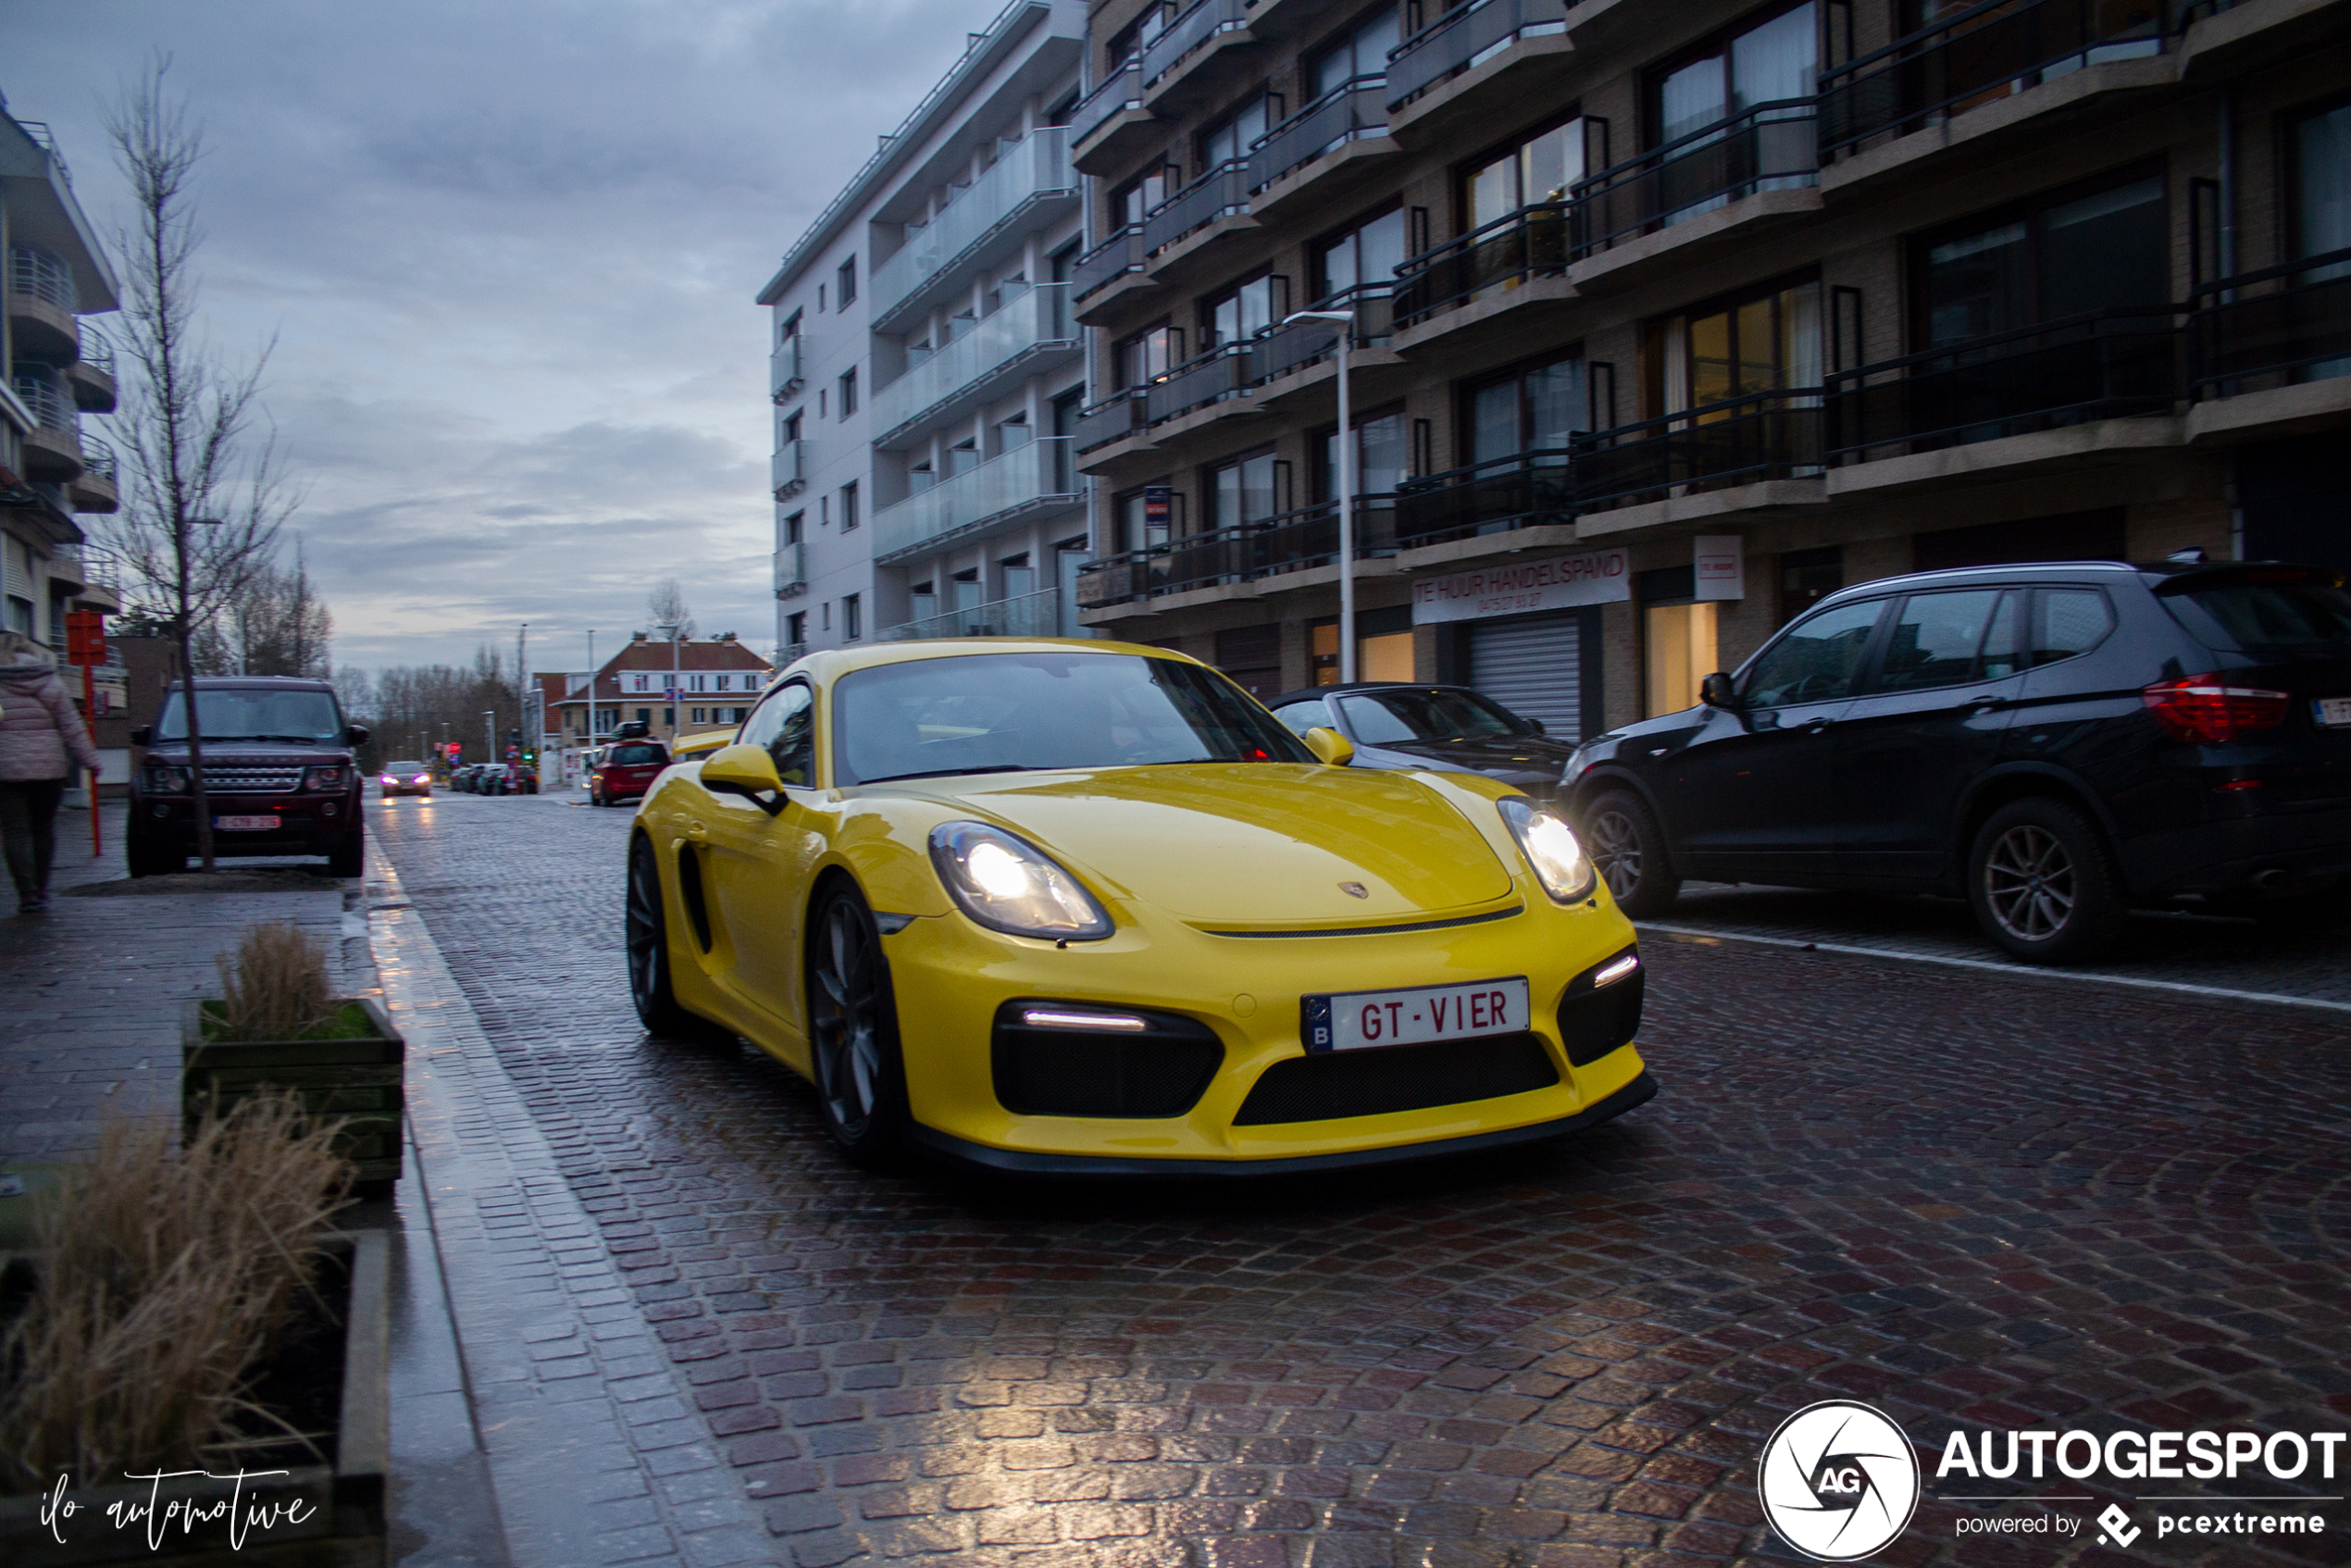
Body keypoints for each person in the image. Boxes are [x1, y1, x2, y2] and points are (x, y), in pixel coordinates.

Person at [0, 631, 104, 915]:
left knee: (15, 833)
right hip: (49, 771)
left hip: (8, 771)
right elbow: (73, 728)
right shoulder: (51, 682)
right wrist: (91, 761)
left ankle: (28, 893)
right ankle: (43, 888)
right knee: (43, 828)